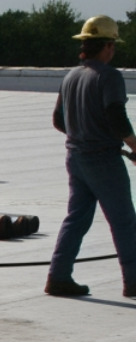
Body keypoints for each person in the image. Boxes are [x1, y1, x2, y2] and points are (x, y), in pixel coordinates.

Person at [45, 15, 136, 299]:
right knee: (123, 221)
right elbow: (116, 116)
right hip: (103, 160)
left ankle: (58, 277)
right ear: (107, 46)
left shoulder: (71, 76)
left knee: (77, 218)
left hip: (76, 158)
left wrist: (82, 134)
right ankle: (133, 281)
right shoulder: (110, 76)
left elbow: (59, 120)